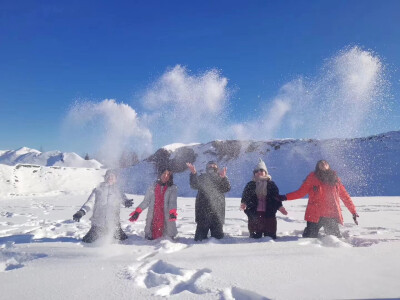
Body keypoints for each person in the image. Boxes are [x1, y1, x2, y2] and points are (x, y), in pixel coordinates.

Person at [279, 160, 359, 238]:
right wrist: (285, 197)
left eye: (325, 163)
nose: (323, 164)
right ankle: (307, 231)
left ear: (328, 166)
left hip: (331, 214)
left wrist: (353, 211)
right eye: (321, 163)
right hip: (315, 214)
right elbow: (300, 193)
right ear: (318, 167)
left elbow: (345, 196)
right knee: (310, 237)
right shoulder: (312, 178)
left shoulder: (335, 180)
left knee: (335, 239)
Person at [72, 169, 133, 243]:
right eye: (108, 176)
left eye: (112, 176)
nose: (110, 177)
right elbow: (90, 202)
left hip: (114, 225)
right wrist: (82, 212)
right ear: (105, 177)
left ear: (116, 179)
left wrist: (126, 202)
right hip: (98, 225)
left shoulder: (118, 190)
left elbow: (123, 199)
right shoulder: (98, 189)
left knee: (124, 241)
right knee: (86, 241)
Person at [240, 159, 288, 239]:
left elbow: (276, 198)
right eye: (256, 171)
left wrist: (280, 207)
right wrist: (244, 203)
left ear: (266, 172)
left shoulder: (271, 185)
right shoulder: (250, 184)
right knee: (255, 237)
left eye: (261, 170)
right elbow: (245, 196)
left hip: (269, 214)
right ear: (254, 174)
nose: (259, 172)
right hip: (254, 215)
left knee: (270, 236)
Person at [128, 167, 178, 240]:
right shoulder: (153, 187)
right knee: (150, 237)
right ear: (160, 174)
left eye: (168, 174)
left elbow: (172, 201)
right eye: (164, 173)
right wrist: (137, 211)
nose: (166, 176)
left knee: (166, 238)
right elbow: (146, 201)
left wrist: (172, 212)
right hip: (154, 215)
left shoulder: (172, 188)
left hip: (166, 215)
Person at [186, 161, 231, 241]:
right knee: (199, 240)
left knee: (218, 240)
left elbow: (227, 188)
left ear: (217, 167)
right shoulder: (202, 177)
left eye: (214, 165)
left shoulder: (220, 177)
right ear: (207, 167)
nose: (212, 167)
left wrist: (224, 178)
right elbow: (194, 185)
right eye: (210, 165)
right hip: (202, 215)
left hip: (217, 215)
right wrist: (193, 174)